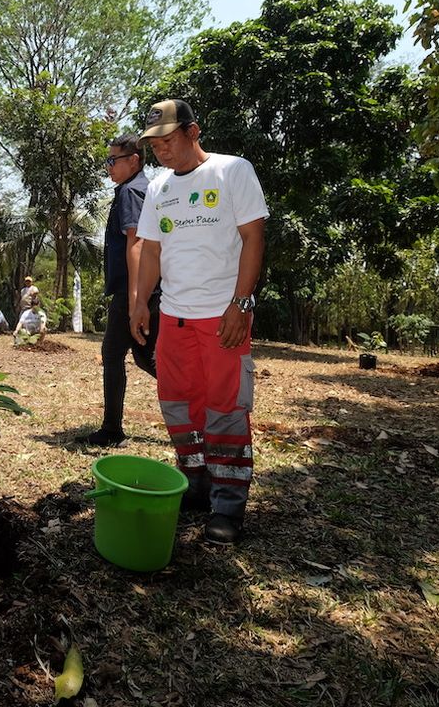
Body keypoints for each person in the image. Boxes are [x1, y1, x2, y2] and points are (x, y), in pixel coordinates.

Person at [130, 99, 269, 546]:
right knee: (178, 402)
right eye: (154, 143)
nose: (161, 150)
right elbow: (151, 250)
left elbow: (253, 237)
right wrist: (140, 303)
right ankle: (196, 483)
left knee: (225, 406)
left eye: (169, 140)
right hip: (175, 317)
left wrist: (240, 304)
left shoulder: (233, 171)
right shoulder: (158, 188)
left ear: (193, 131)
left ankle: (229, 505)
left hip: (222, 315)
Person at [79, 133, 161, 448]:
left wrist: (135, 301)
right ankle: (199, 407)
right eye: (107, 160)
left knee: (112, 354)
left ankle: (112, 429)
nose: (108, 167)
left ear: (134, 160)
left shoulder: (132, 192)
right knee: (144, 356)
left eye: (113, 161)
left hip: (134, 287)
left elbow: (137, 243)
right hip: (140, 288)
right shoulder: (140, 189)